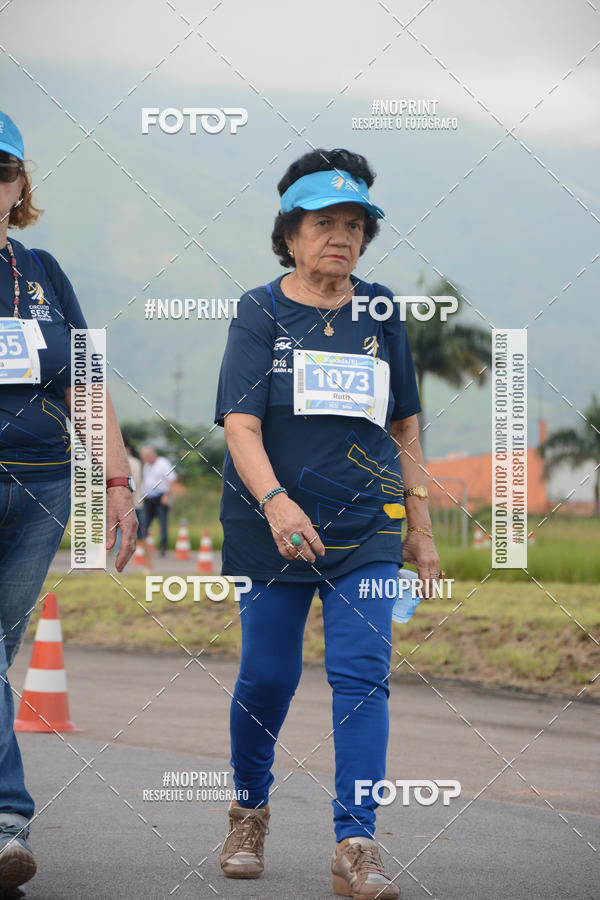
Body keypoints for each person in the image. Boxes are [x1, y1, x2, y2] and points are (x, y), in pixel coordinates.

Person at [214, 148, 441, 899]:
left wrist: (420, 523)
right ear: (290, 234)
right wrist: (278, 502)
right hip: (269, 527)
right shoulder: (259, 309)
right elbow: (240, 425)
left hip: (365, 532)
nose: (339, 237)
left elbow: (405, 421)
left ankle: (356, 843)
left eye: (354, 225)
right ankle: (249, 808)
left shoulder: (382, 311)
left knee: (363, 676)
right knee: (268, 677)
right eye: (323, 224)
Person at [0, 111, 138, 897]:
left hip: (41, 486)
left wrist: (117, 484)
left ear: (20, 186)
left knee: (2, 649)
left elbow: (84, 383)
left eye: (2, 168)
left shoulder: (43, 272)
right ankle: (7, 820)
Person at [140, 446, 176, 555]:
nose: (144, 459)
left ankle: (163, 547)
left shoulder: (163, 463)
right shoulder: (146, 466)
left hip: (161, 497)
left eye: (145, 456)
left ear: (151, 455)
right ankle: (142, 547)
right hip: (148, 498)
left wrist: (167, 495)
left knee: (162, 523)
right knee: (144, 523)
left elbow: (172, 479)